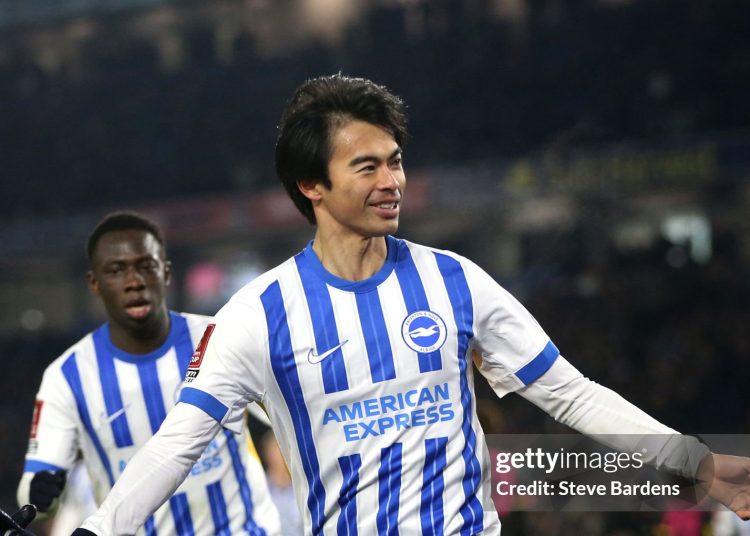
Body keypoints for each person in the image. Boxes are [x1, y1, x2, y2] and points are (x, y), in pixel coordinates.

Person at [69, 75, 750, 535]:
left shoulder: (455, 281)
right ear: (312, 183)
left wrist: (695, 463)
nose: (392, 180)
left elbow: (571, 394)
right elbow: (173, 448)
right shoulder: (256, 316)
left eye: (395, 161)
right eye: (367, 167)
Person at [16, 211, 281, 535]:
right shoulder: (66, 378)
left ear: (166, 273)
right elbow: (35, 493)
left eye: (146, 266)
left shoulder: (220, 337)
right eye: (116, 270)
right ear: (94, 283)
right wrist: (42, 495)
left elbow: (292, 417)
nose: (134, 282)